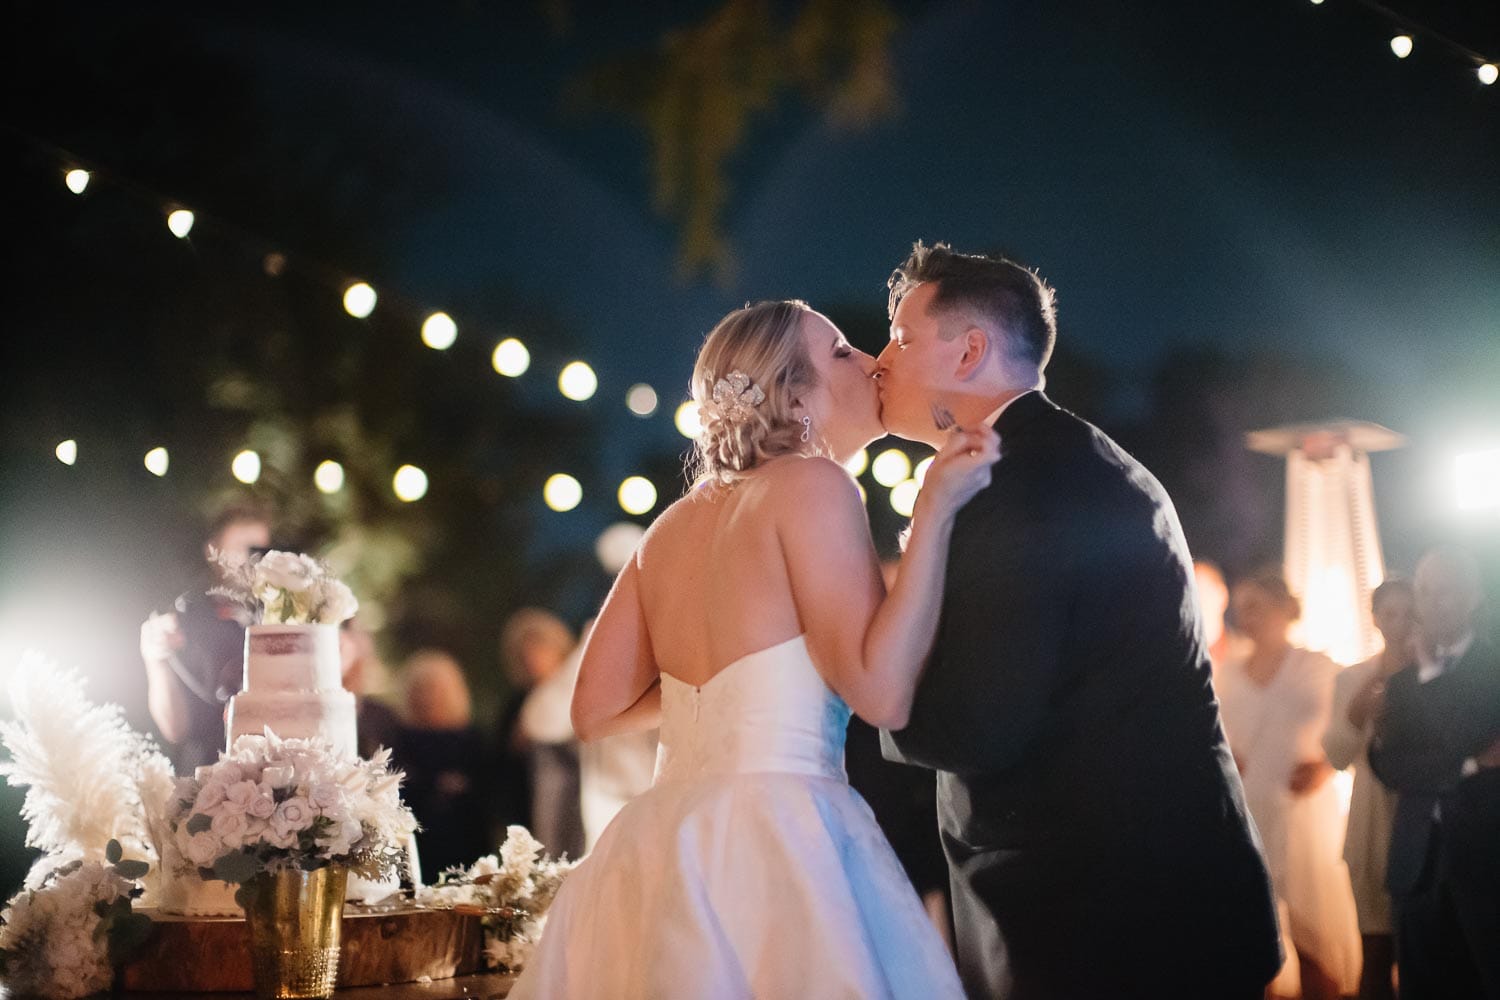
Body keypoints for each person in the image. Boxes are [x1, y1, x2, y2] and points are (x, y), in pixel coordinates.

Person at [508, 299, 997, 999]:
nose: (871, 360)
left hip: (660, 843)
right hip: (779, 839)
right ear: (795, 394)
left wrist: (725, 703)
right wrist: (935, 512)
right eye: (840, 352)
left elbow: (595, 708)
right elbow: (880, 692)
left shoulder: (672, 525)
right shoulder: (816, 483)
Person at [873, 242, 1281, 999]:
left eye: (899, 340)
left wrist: (868, 683)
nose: (878, 363)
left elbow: (977, 724)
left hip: (1104, 925)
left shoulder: (1017, 490)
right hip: (1152, 905)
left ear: (969, 352)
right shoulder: (1068, 461)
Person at [1217, 571, 1361, 1000]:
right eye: (1241, 608)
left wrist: (1326, 767)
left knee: (1311, 928)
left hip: (1302, 811)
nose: (1247, 616)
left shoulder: (1318, 667)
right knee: (1253, 933)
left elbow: (1352, 726)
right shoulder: (1226, 675)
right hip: (1249, 811)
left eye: (1255, 605)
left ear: (1282, 608)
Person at [1368, 545, 1500, 1000]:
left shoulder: (1493, 668)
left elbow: (1462, 729)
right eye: (1423, 591)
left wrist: (1428, 673)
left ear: (1473, 597)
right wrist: (1465, 765)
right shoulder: (1404, 682)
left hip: (1487, 860)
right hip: (1417, 862)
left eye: (1443, 592)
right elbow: (1385, 761)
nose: (1430, 603)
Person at [1322, 577, 1414, 1000]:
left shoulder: (1436, 673)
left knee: (1423, 949)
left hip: (1419, 814)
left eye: (1408, 613)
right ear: (1375, 620)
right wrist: (1360, 708)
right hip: (1371, 818)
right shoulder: (1353, 678)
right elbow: (1337, 755)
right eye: (1389, 614)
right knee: (1376, 950)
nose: (1399, 625)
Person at [139, 504, 270, 773]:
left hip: (273, 774)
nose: (252, 560)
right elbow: (175, 729)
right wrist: (156, 661)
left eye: (260, 551)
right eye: (242, 548)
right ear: (214, 551)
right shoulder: (186, 619)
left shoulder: (278, 618)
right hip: (207, 775)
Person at [395, 649, 492, 876]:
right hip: (419, 842)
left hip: (465, 840)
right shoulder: (401, 738)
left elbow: (484, 791)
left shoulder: (472, 739)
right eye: (422, 689)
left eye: (435, 689)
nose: (429, 697)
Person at [498, 609, 585, 857]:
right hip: (528, 805)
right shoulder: (517, 705)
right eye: (525, 655)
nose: (533, 660)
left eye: (539, 650)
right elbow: (505, 758)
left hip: (573, 798)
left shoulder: (579, 694)